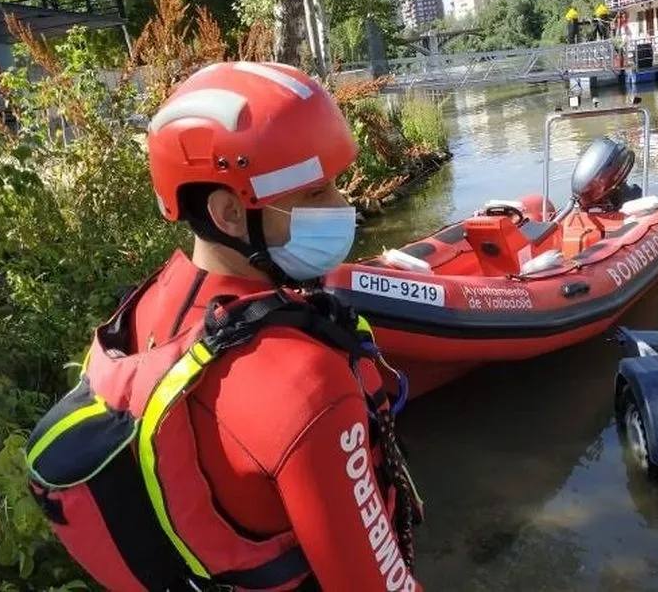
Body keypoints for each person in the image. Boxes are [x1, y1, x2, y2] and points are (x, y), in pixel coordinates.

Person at [24, 61, 425, 592]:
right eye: (314, 194)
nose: (342, 206)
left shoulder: (144, 308)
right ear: (229, 213)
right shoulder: (310, 386)